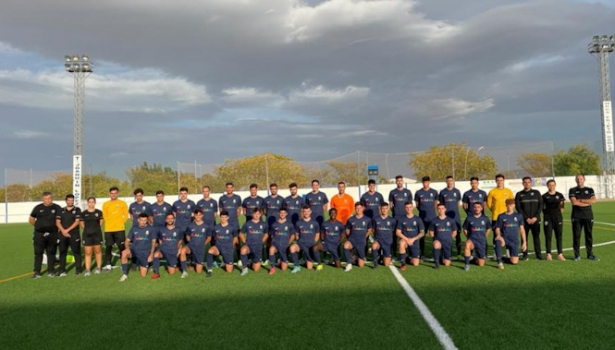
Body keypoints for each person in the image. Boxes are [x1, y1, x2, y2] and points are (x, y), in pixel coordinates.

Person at [29, 191, 63, 278]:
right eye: (45, 199)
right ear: (42, 199)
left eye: (49, 198)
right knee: (38, 253)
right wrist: (38, 227)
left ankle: (51, 271)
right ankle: (37, 272)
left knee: (51, 252)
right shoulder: (37, 208)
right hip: (39, 234)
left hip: (53, 234)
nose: (47, 200)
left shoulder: (57, 207)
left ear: (52, 198)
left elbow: (60, 220)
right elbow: (31, 219)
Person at [119, 213, 156, 282]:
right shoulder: (134, 228)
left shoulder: (151, 229)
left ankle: (143, 263)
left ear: (147, 221)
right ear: (138, 220)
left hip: (144, 252)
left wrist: (151, 255)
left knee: (143, 275)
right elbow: (127, 241)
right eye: (141, 220)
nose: (143, 222)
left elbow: (153, 242)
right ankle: (124, 274)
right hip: (134, 251)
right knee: (124, 253)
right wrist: (127, 249)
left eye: (145, 220)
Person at [569, 174, 598, 261]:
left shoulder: (589, 190)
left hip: (588, 215)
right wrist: (587, 202)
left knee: (588, 235)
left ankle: (590, 254)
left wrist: (581, 200)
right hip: (576, 216)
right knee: (576, 236)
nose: (579, 180)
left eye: (581, 179)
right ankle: (577, 255)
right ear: (575, 180)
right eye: (577, 179)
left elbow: (593, 200)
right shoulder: (572, 190)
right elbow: (574, 202)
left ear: (584, 179)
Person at [494, 199, 527, 269]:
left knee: (514, 262)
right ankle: (499, 262)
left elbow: (522, 229)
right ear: (506, 205)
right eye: (508, 205)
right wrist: (499, 236)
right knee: (497, 240)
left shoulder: (518, 216)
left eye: (511, 205)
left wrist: (524, 242)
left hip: (514, 240)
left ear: (514, 205)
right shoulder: (501, 216)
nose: (510, 207)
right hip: (504, 239)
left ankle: (503, 258)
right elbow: (497, 229)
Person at [515, 177, 543, 260]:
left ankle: (538, 255)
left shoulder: (536, 193)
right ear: (523, 183)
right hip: (524, 221)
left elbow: (540, 205)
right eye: (525, 182)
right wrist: (526, 218)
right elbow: (518, 208)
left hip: (535, 220)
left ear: (531, 183)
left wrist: (535, 217)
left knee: (536, 237)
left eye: (528, 182)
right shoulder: (519, 194)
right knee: (524, 238)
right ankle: (525, 255)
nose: (527, 184)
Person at [101, 186, 128, 273]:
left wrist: (121, 223)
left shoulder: (122, 203)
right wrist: (109, 222)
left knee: (121, 247)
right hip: (108, 229)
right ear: (109, 194)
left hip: (119, 229)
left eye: (115, 193)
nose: (113, 195)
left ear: (117, 194)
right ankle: (108, 265)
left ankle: (123, 263)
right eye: (112, 193)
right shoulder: (105, 204)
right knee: (108, 247)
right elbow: (104, 216)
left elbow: (126, 215)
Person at [179, 209, 211, 277]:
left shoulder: (206, 226)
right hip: (191, 246)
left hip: (200, 248)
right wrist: (190, 241)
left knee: (198, 271)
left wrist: (204, 244)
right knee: (183, 250)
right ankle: (184, 271)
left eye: (199, 215)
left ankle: (192, 260)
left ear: (202, 215)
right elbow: (187, 235)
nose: (198, 216)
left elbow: (209, 238)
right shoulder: (190, 226)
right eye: (196, 215)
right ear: (194, 215)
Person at [55, 194, 82, 276]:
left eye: (72, 200)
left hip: (73, 235)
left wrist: (67, 230)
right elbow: (57, 222)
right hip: (62, 235)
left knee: (76, 252)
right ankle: (62, 270)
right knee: (62, 253)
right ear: (66, 201)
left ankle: (78, 270)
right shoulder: (61, 210)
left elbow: (77, 221)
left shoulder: (77, 210)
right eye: (69, 200)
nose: (70, 202)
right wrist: (63, 231)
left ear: (74, 201)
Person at [151, 212, 183, 279]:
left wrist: (179, 249)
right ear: (165, 220)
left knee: (171, 273)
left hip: (173, 252)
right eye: (168, 218)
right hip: (163, 251)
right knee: (156, 254)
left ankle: (173, 265)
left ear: (174, 219)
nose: (170, 220)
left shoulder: (178, 230)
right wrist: (162, 248)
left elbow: (180, 240)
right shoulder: (161, 230)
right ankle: (156, 273)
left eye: (171, 218)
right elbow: (160, 240)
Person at [290, 205, 321, 273]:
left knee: (309, 267)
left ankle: (317, 263)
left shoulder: (315, 223)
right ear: (302, 212)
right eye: (305, 211)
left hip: (310, 244)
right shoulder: (298, 223)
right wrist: (298, 241)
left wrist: (313, 242)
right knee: (292, 248)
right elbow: (297, 234)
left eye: (308, 211)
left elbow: (317, 234)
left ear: (310, 212)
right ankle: (297, 266)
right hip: (301, 244)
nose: (306, 213)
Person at [206, 211, 238, 276]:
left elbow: (235, 238)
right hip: (218, 247)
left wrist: (232, 246)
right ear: (219, 217)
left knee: (229, 271)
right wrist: (216, 245)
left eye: (225, 217)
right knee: (210, 251)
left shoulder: (232, 227)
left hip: (228, 248)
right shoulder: (216, 227)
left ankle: (228, 263)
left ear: (228, 217)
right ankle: (209, 270)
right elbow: (214, 238)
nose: (223, 219)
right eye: (222, 217)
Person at [343, 202, 373, 271]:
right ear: (355, 209)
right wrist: (349, 237)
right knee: (346, 245)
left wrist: (365, 237)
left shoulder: (367, 219)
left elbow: (369, 230)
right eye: (357, 208)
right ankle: (349, 264)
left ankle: (357, 257)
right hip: (352, 240)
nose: (358, 209)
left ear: (363, 208)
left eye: (360, 208)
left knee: (361, 265)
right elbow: (347, 230)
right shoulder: (351, 219)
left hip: (361, 241)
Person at [462, 202, 492, 271]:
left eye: (478, 207)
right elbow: (465, 229)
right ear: (473, 208)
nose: (477, 209)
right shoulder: (469, 218)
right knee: (467, 243)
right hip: (472, 240)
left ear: (481, 208)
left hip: (481, 241)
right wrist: (468, 238)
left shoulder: (485, 218)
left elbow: (488, 229)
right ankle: (466, 264)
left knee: (481, 264)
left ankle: (473, 259)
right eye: (475, 207)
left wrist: (484, 237)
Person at [396, 201, 425, 270]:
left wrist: (413, 239)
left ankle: (407, 258)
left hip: (414, 241)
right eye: (407, 207)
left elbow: (422, 232)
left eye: (410, 207)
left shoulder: (418, 219)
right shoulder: (401, 219)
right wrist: (407, 239)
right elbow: (398, 232)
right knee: (401, 243)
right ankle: (403, 264)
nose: (408, 209)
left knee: (416, 263)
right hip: (405, 240)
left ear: (413, 208)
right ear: (404, 208)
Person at [239, 208, 269, 275]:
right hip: (249, 245)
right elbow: (241, 233)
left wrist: (262, 241)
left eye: (258, 214)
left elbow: (266, 234)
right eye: (255, 213)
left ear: (261, 214)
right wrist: (245, 242)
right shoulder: (247, 223)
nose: (256, 215)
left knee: (256, 269)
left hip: (258, 246)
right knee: (243, 250)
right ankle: (244, 268)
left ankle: (251, 261)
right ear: (252, 214)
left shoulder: (264, 224)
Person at [414, 176, 437, 260]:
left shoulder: (434, 192)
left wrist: (430, 211)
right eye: (424, 182)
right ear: (422, 182)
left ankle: (435, 253)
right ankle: (422, 253)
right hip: (422, 218)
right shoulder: (419, 192)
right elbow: (417, 205)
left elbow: (435, 203)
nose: (425, 183)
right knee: (422, 236)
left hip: (432, 218)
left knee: (434, 236)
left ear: (429, 182)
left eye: (427, 182)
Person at [389, 175, 412, 258]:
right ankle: (394, 254)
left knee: (408, 234)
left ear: (403, 181)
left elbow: (410, 205)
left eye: (400, 180)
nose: (399, 182)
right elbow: (391, 205)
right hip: (396, 217)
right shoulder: (392, 192)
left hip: (406, 217)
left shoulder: (408, 192)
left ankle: (409, 254)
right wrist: (396, 212)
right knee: (394, 235)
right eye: (398, 180)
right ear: (396, 182)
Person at [428, 203, 457, 269]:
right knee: (436, 244)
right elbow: (431, 232)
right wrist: (435, 240)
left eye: (442, 209)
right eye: (439, 209)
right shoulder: (434, 221)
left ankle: (441, 257)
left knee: (447, 264)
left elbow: (454, 232)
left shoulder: (451, 220)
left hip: (447, 241)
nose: (441, 210)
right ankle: (437, 263)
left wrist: (450, 238)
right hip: (438, 240)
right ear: (437, 210)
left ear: (445, 209)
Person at [438, 175, 462, 255]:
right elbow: (441, 204)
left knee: (457, 234)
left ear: (453, 181)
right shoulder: (442, 192)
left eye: (451, 181)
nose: (449, 182)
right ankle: (447, 251)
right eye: (448, 181)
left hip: (455, 217)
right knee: (446, 234)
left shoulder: (457, 191)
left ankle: (459, 252)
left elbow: (458, 203)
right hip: (446, 217)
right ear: (446, 182)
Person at [267, 207, 296, 274]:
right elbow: (271, 235)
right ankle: (272, 268)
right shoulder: (274, 224)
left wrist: (288, 242)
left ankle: (281, 262)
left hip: (284, 245)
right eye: (281, 213)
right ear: (278, 214)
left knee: (284, 268)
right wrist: (271, 243)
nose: (282, 214)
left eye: (284, 213)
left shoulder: (290, 224)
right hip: (275, 245)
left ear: (286, 214)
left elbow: (293, 235)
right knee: (271, 249)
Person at [542, 180, 565, 261]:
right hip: (548, 218)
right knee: (548, 236)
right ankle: (548, 254)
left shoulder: (560, 195)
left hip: (557, 218)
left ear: (555, 185)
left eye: (553, 185)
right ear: (547, 186)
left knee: (559, 236)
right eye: (550, 185)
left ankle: (560, 254)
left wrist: (558, 215)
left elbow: (562, 207)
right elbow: (542, 208)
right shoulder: (544, 196)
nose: (551, 186)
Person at [81, 197, 104, 276]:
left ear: (95, 203)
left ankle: (98, 268)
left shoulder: (99, 212)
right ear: (87, 203)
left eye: (92, 202)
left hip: (97, 235)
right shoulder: (83, 213)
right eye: (89, 202)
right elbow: (82, 223)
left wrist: (96, 229)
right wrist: (88, 230)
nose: (91, 203)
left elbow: (101, 222)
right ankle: (88, 270)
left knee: (97, 251)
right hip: (87, 235)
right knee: (88, 253)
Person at [371, 202, 397, 268]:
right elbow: (373, 230)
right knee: (374, 245)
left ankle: (382, 257)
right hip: (378, 241)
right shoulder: (375, 219)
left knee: (386, 264)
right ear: (380, 209)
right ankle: (375, 263)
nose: (384, 210)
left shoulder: (392, 220)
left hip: (387, 242)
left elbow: (393, 230)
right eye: (383, 208)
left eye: (386, 208)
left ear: (388, 209)